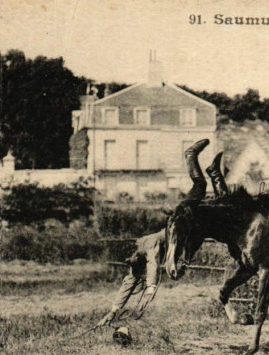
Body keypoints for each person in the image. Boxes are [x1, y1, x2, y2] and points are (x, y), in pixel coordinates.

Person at [96, 139, 227, 328]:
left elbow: (153, 273)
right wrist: (113, 311)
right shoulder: (136, 261)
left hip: (185, 220)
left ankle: (192, 158)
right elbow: (127, 285)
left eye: (129, 260)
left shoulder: (148, 249)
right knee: (212, 197)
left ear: (133, 251)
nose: (129, 263)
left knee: (205, 190)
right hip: (186, 227)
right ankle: (206, 168)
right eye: (128, 262)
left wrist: (141, 306)